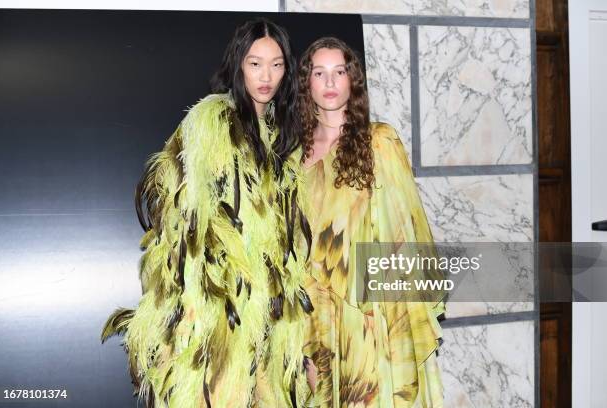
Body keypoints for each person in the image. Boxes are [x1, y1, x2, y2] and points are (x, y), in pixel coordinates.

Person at [101, 19, 314, 408]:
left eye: (277, 64)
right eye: (254, 63)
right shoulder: (213, 119)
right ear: (238, 65)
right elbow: (188, 221)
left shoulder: (283, 137)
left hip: (271, 310)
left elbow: (288, 237)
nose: (266, 76)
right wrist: (196, 308)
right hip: (219, 304)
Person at [298, 37, 445, 407]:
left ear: (353, 80)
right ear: (307, 83)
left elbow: (405, 232)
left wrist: (392, 323)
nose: (330, 83)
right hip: (314, 314)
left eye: (339, 72)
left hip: (371, 313)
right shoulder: (294, 154)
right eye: (320, 73)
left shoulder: (379, 142)